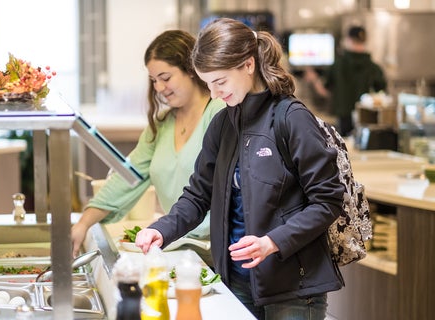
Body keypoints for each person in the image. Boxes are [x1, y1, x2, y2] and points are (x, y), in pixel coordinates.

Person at [135, 18, 345, 320]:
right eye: (208, 84)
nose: (215, 94)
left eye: (220, 82)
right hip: (235, 282)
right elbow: (198, 195)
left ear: (248, 65)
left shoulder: (292, 118)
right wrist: (161, 230)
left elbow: (327, 201)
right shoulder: (223, 124)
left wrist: (273, 241)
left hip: (294, 289)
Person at [71, 30, 225, 262]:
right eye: (154, 80)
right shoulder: (161, 124)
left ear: (191, 70)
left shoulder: (220, 112)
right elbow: (126, 178)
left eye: (165, 78)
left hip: (220, 250)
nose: (159, 88)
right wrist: (83, 223)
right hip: (178, 247)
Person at [305, 25, 387, 137]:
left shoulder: (337, 64)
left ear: (348, 40)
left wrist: (314, 79)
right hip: (366, 122)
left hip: (342, 121)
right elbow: (381, 96)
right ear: (365, 40)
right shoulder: (373, 67)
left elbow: (324, 92)